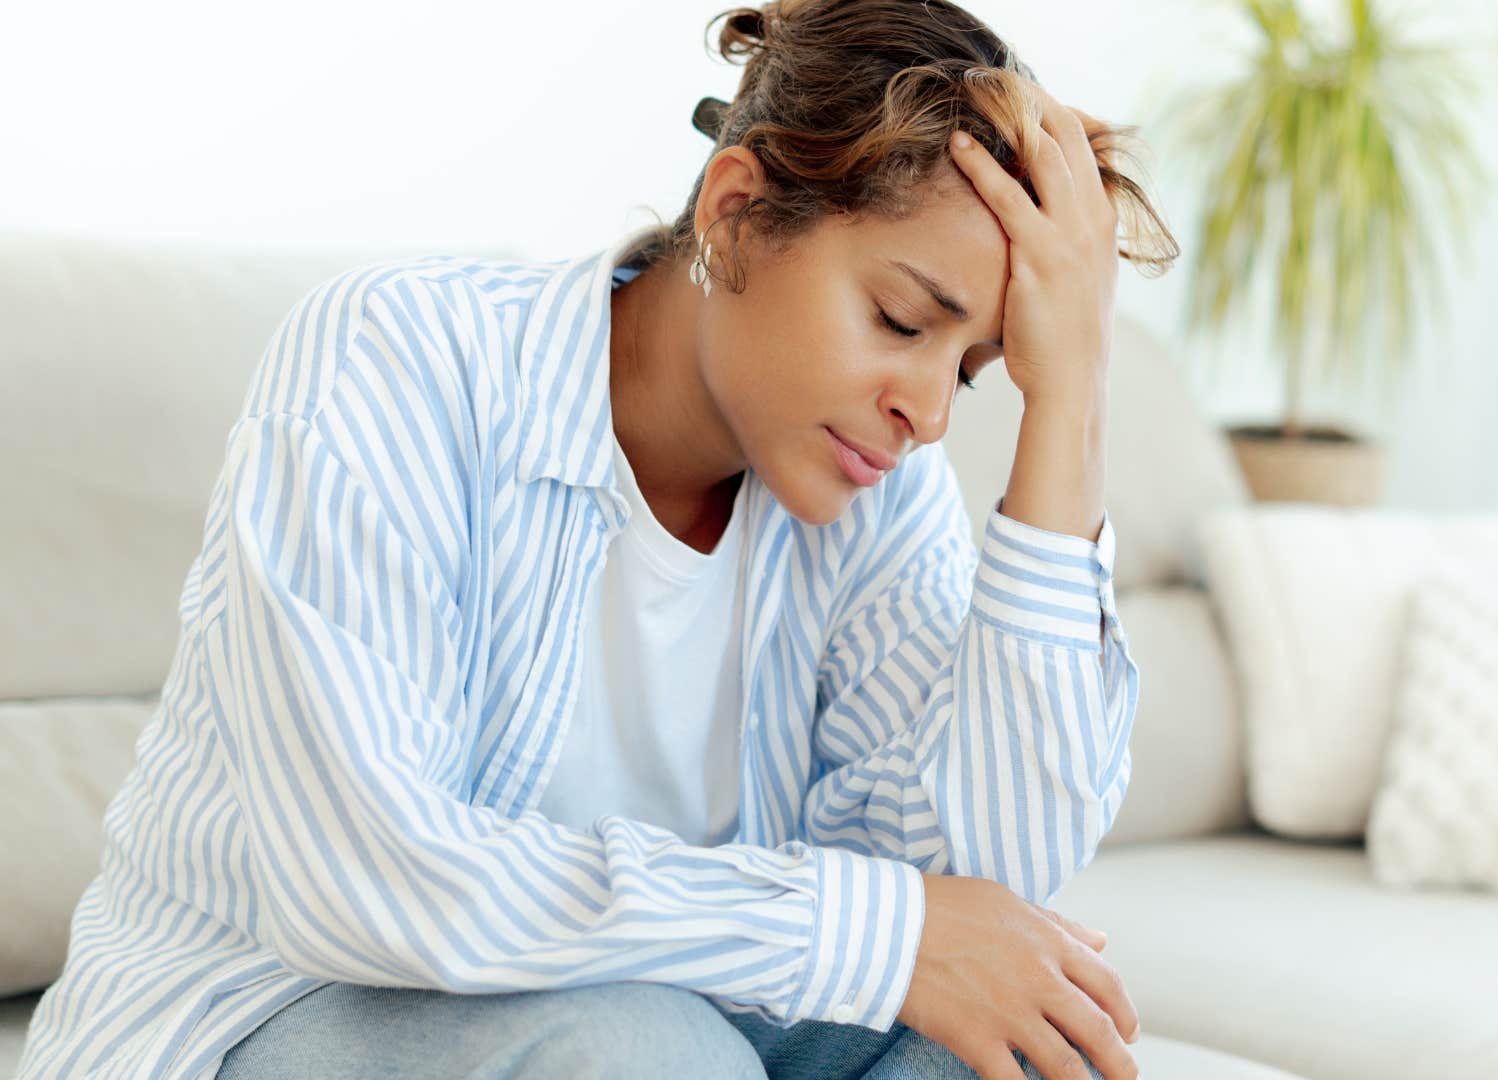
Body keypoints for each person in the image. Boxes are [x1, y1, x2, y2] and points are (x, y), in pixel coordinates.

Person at [16, 1, 1180, 1077]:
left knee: (1024, 1041)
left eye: (973, 374)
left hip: (663, 1016)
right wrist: (861, 931)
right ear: (734, 215)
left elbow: (989, 887)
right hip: (272, 1010)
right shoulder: (403, 360)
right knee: (648, 1051)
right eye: (901, 320)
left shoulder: (876, 491)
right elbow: (366, 881)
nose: (927, 413)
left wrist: (1069, 394)